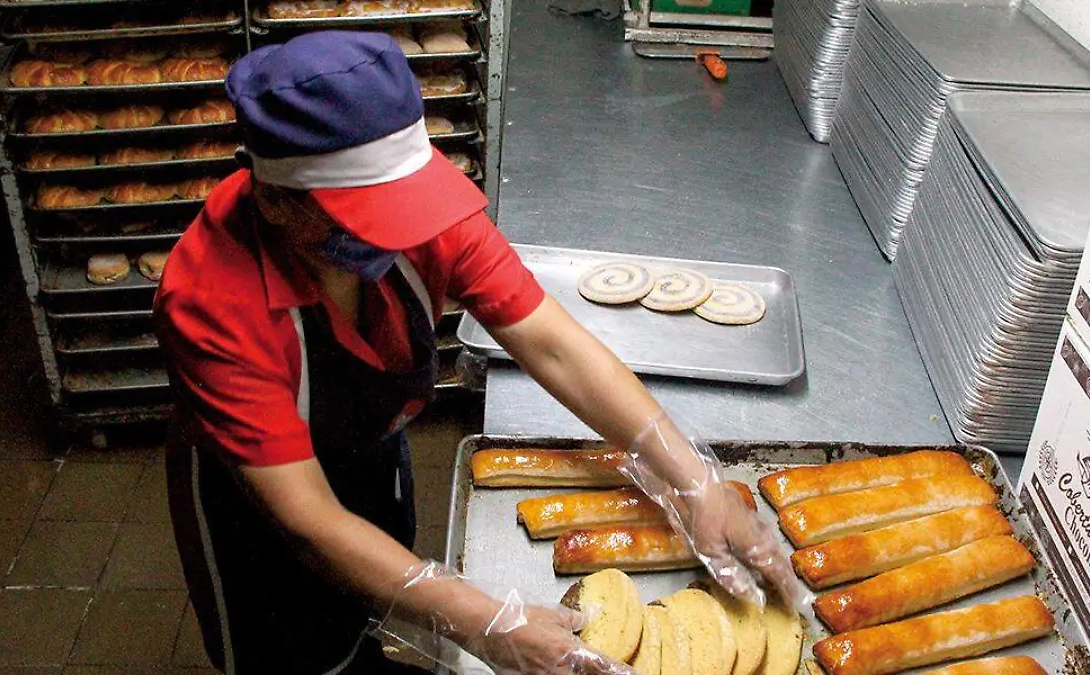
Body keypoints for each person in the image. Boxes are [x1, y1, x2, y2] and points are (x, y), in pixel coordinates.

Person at [154, 30, 802, 675]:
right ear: (276, 200)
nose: (405, 235)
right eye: (370, 220)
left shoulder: (415, 207)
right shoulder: (212, 301)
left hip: (365, 445)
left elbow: (552, 344)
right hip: (261, 508)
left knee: (379, 574)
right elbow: (306, 516)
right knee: (297, 649)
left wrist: (692, 477)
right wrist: (482, 624)